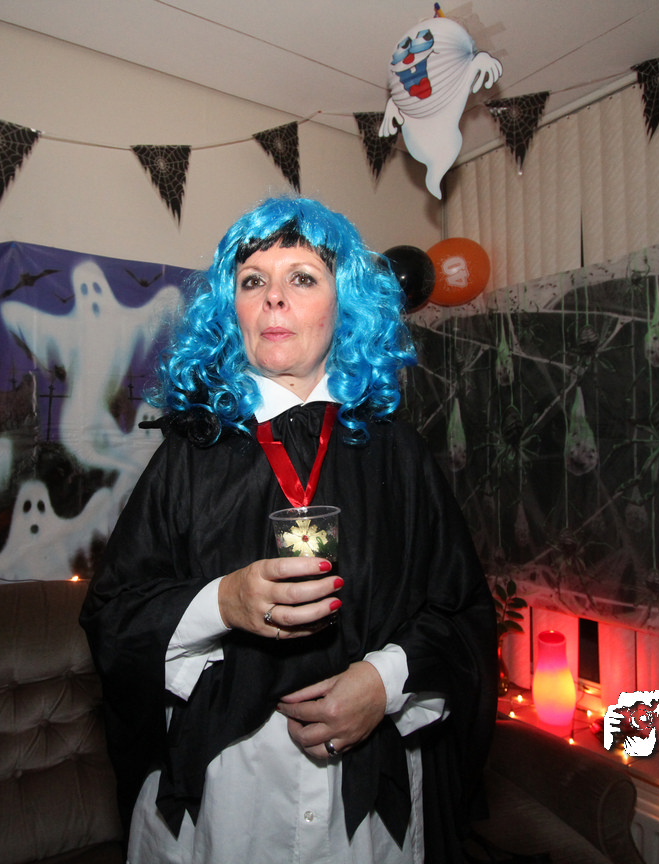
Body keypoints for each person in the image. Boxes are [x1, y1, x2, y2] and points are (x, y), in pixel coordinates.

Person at [80, 197, 496, 864]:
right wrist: (222, 602)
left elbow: (460, 614)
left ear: (344, 305)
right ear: (232, 312)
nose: (274, 298)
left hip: (367, 812)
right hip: (224, 804)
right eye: (253, 281)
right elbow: (113, 617)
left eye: (302, 277)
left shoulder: (399, 454)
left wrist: (384, 681)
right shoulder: (189, 453)